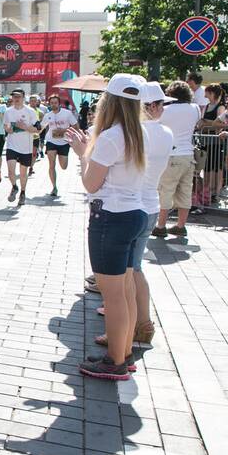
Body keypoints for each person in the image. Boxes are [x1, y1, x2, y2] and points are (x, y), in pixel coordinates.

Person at [66, 73, 148, 380]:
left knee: (112, 296)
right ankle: (123, 353)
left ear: (108, 102)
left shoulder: (112, 136)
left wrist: (82, 153)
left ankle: (115, 361)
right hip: (133, 213)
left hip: (110, 218)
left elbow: (90, 183)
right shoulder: (140, 132)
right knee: (124, 290)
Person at [95, 82, 172, 356]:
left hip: (119, 211)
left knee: (121, 286)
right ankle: (129, 340)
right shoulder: (156, 133)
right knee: (130, 276)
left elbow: (92, 183)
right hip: (145, 207)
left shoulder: (118, 135)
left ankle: (124, 346)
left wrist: (85, 154)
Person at [154, 81, 201, 236]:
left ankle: (161, 226)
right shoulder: (194, 109)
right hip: (188, 155)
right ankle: (181, 226)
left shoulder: (165, 110)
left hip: (171, 154)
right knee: (185, 191)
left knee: (166, 190)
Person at [2, 89, 39, 206]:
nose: (16, 99)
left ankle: (23, 193)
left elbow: (38, 129)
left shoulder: (30, 111)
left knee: (23, 173)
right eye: (14, 97)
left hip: (26, 147)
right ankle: (14, 187)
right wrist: (9, 129)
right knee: (10, 171)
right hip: (12, 145)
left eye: (18, 97)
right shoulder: (8, 111)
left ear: (23, 98)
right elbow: (6, 127)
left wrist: (25, 127)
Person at [198, 84, 228, 207]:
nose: (205, 95)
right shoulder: (207, 106)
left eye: (207, 92)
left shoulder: (220, 107)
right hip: (206, 141)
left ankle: (214, 192)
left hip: (216, 142)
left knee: (215, 167)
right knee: (207, 167)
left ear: (212, 93)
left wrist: (206, 123)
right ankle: (207, 191)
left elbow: (220, 123)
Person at [41, 94, 78, 198]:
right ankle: (54, 187)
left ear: (59, 103)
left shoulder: (67, 113)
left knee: (63, 166)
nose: (54, 105)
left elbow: (76, 126)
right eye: (51, 103)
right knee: (51, 165)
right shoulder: (48, 115)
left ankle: (55, 186)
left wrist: (65, 130)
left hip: (64, 142)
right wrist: (32, 135)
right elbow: (41, 128)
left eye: (55, 103)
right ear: (49, 104)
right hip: (51, 141)